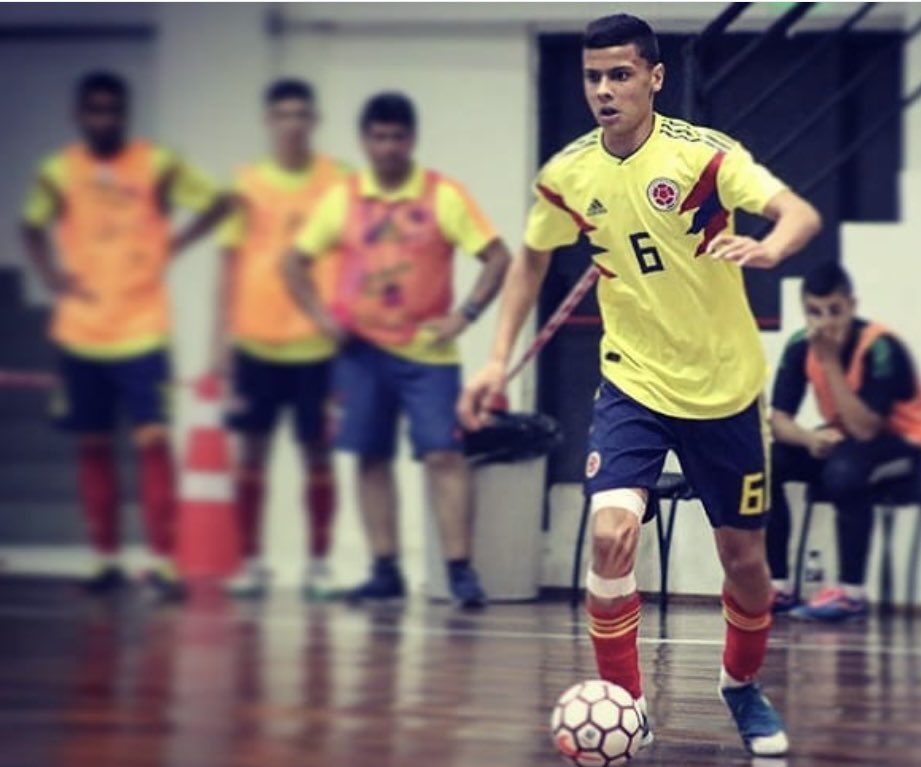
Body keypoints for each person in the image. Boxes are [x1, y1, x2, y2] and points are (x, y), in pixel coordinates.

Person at [458, 14, 821, 757]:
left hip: (725, 387)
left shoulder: (704, 159)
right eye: (593, 76)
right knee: (612, 532)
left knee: (746, 566)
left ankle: (741, 686)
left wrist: (769, 246)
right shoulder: (570, 175)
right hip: (634, 382)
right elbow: (530, 258)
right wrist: (496, 358)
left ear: (655, 77)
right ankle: (625, 705)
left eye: (620, 74)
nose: (604, 89)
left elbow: (799, 213)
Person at [283, 92, 511, 608]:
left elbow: (498, 258)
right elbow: (294, 262)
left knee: (444, 454)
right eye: (378, 137)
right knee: (369, 456)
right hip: (360, 350)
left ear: (411, 139)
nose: (387, 147)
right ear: (366, 140)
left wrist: (466, 315)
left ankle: (459, 570)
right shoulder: (344, 197)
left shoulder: (442, 195)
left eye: (397, 137)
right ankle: (384, 567)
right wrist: (321, 320)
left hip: (426, 353)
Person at [19, 71, 231, 599]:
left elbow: (220, 202)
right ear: (78, 115)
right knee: (92, 446)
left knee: (153, 443)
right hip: (81, 332)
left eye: (113, 110)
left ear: (126, 115)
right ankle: (104, 560)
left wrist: (175, 243)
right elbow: (30, 225)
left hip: (142, 330)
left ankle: (163, 563)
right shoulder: (58, 171)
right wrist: (50, 277)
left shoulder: (157, 165)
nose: (104, 120)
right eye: (94, 110)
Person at [212, 79, 350, 601]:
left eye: (300, 114)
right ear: (270, 121)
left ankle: (318, 564)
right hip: (255, 345)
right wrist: (219, 356)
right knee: (251, 455)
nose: (292, 122)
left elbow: (358, 259)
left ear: (312, 120)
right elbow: (227, 272)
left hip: (318, 348)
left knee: (318, 455)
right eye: (282, 114)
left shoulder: (337, 182)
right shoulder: (244, 185)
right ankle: (250, 562)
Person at [765, 263, 921, 621]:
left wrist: (831, 363)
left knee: (845, 471)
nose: (825, 322)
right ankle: (779, 586)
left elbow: (868, 429)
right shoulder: (799, 345)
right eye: (814, 312)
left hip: (915, 446)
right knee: (770, 461)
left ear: (851, 306)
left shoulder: (881, 346)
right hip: (853, 438)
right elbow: (779, 421)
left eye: (834, 311)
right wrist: (810, 439)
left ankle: (851, 593)